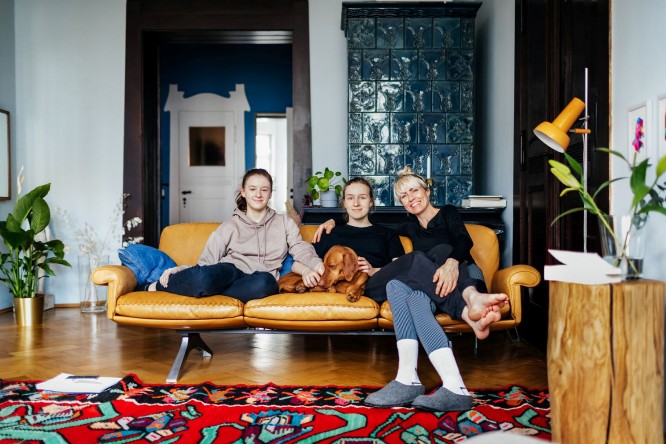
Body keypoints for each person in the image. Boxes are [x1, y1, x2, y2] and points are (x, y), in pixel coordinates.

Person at [314, 167, 508, 411]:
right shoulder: (351, 230)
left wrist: (376, 268)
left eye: (362, 197)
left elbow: (454, 244)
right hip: (374, 284)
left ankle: (418, 381)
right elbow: (314, 259)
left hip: (435, 279)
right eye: (404, 196)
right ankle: (468, 309)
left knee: (403, 283)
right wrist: (331, 219)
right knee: (418, 258)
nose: (356, 203)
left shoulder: (401, 227)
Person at [148, 168, 323, 302]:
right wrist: (182, 270)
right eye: (252, 189)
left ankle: (210, 290)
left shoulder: (285, 223)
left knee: (267, 284)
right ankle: (156, 286)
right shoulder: (229, 226)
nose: (258, 194)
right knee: (204, 278)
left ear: (270, 194)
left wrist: (317, 265)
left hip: (259, 279)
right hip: (229, 271)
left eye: (264, 189)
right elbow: (205, 264)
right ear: (243, 192)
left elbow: (300, 248)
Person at [296, 177, 405, 295]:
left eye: (362, 197)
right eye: (350, 198)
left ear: (371, 202)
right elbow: (296, 263)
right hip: (341, 290)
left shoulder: (388, 234)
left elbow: (401, 269)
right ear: (344, 203)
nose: (356, 203)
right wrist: (306, 271)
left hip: (375, 286)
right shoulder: (329, 233)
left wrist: (374, 270)